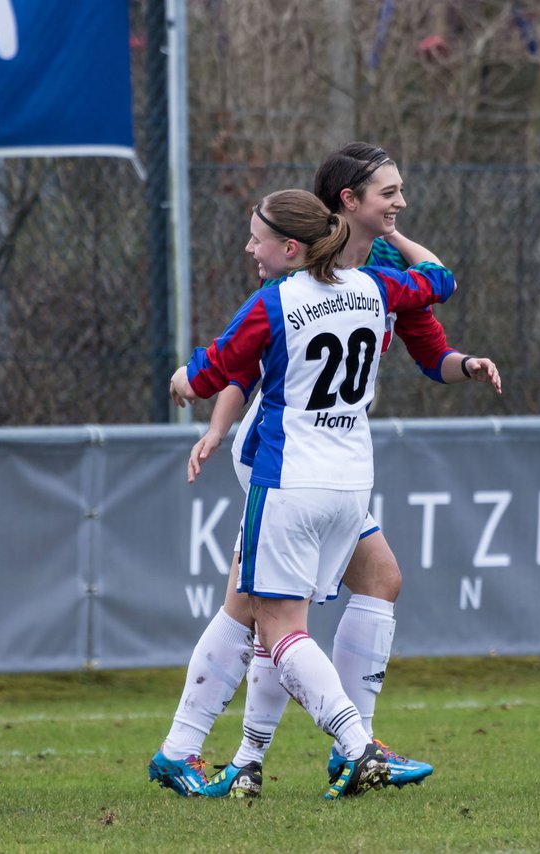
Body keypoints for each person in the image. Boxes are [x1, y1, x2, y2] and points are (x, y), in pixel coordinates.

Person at [149, 144, 500, 799]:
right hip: (282, 458)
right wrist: (218, 426)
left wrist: (465, 362)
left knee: (309, 597)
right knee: (268, 612)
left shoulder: (360, 273)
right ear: (348, 202)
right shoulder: (365, 282)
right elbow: (246, 365)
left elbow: (430, 347)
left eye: (399, 192)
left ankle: (282, 752)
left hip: (326, 465)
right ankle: (315, 748)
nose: (398, 204)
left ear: (288, 246)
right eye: (387, 194)